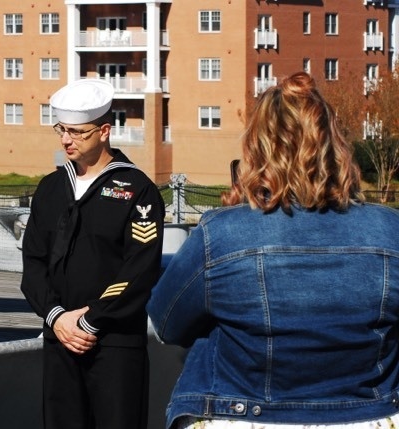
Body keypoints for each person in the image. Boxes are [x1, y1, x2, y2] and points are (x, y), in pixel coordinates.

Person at [147, 71, 399, 429]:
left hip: (244, 415)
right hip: (370, 416)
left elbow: (167, 324)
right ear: (334, 146)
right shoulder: (390, 230)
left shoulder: (222, 233)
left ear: (257, 148)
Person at [20, 79, 165, 429]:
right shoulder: (51, 189)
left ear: (104, 131)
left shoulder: (137, 190)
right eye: (61, 130)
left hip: (114, 343)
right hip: (59, 339)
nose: (66, 140)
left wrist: (90, 321)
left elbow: (139, 270)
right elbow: (33, 263)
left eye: (76, 132)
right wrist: (57, 316)